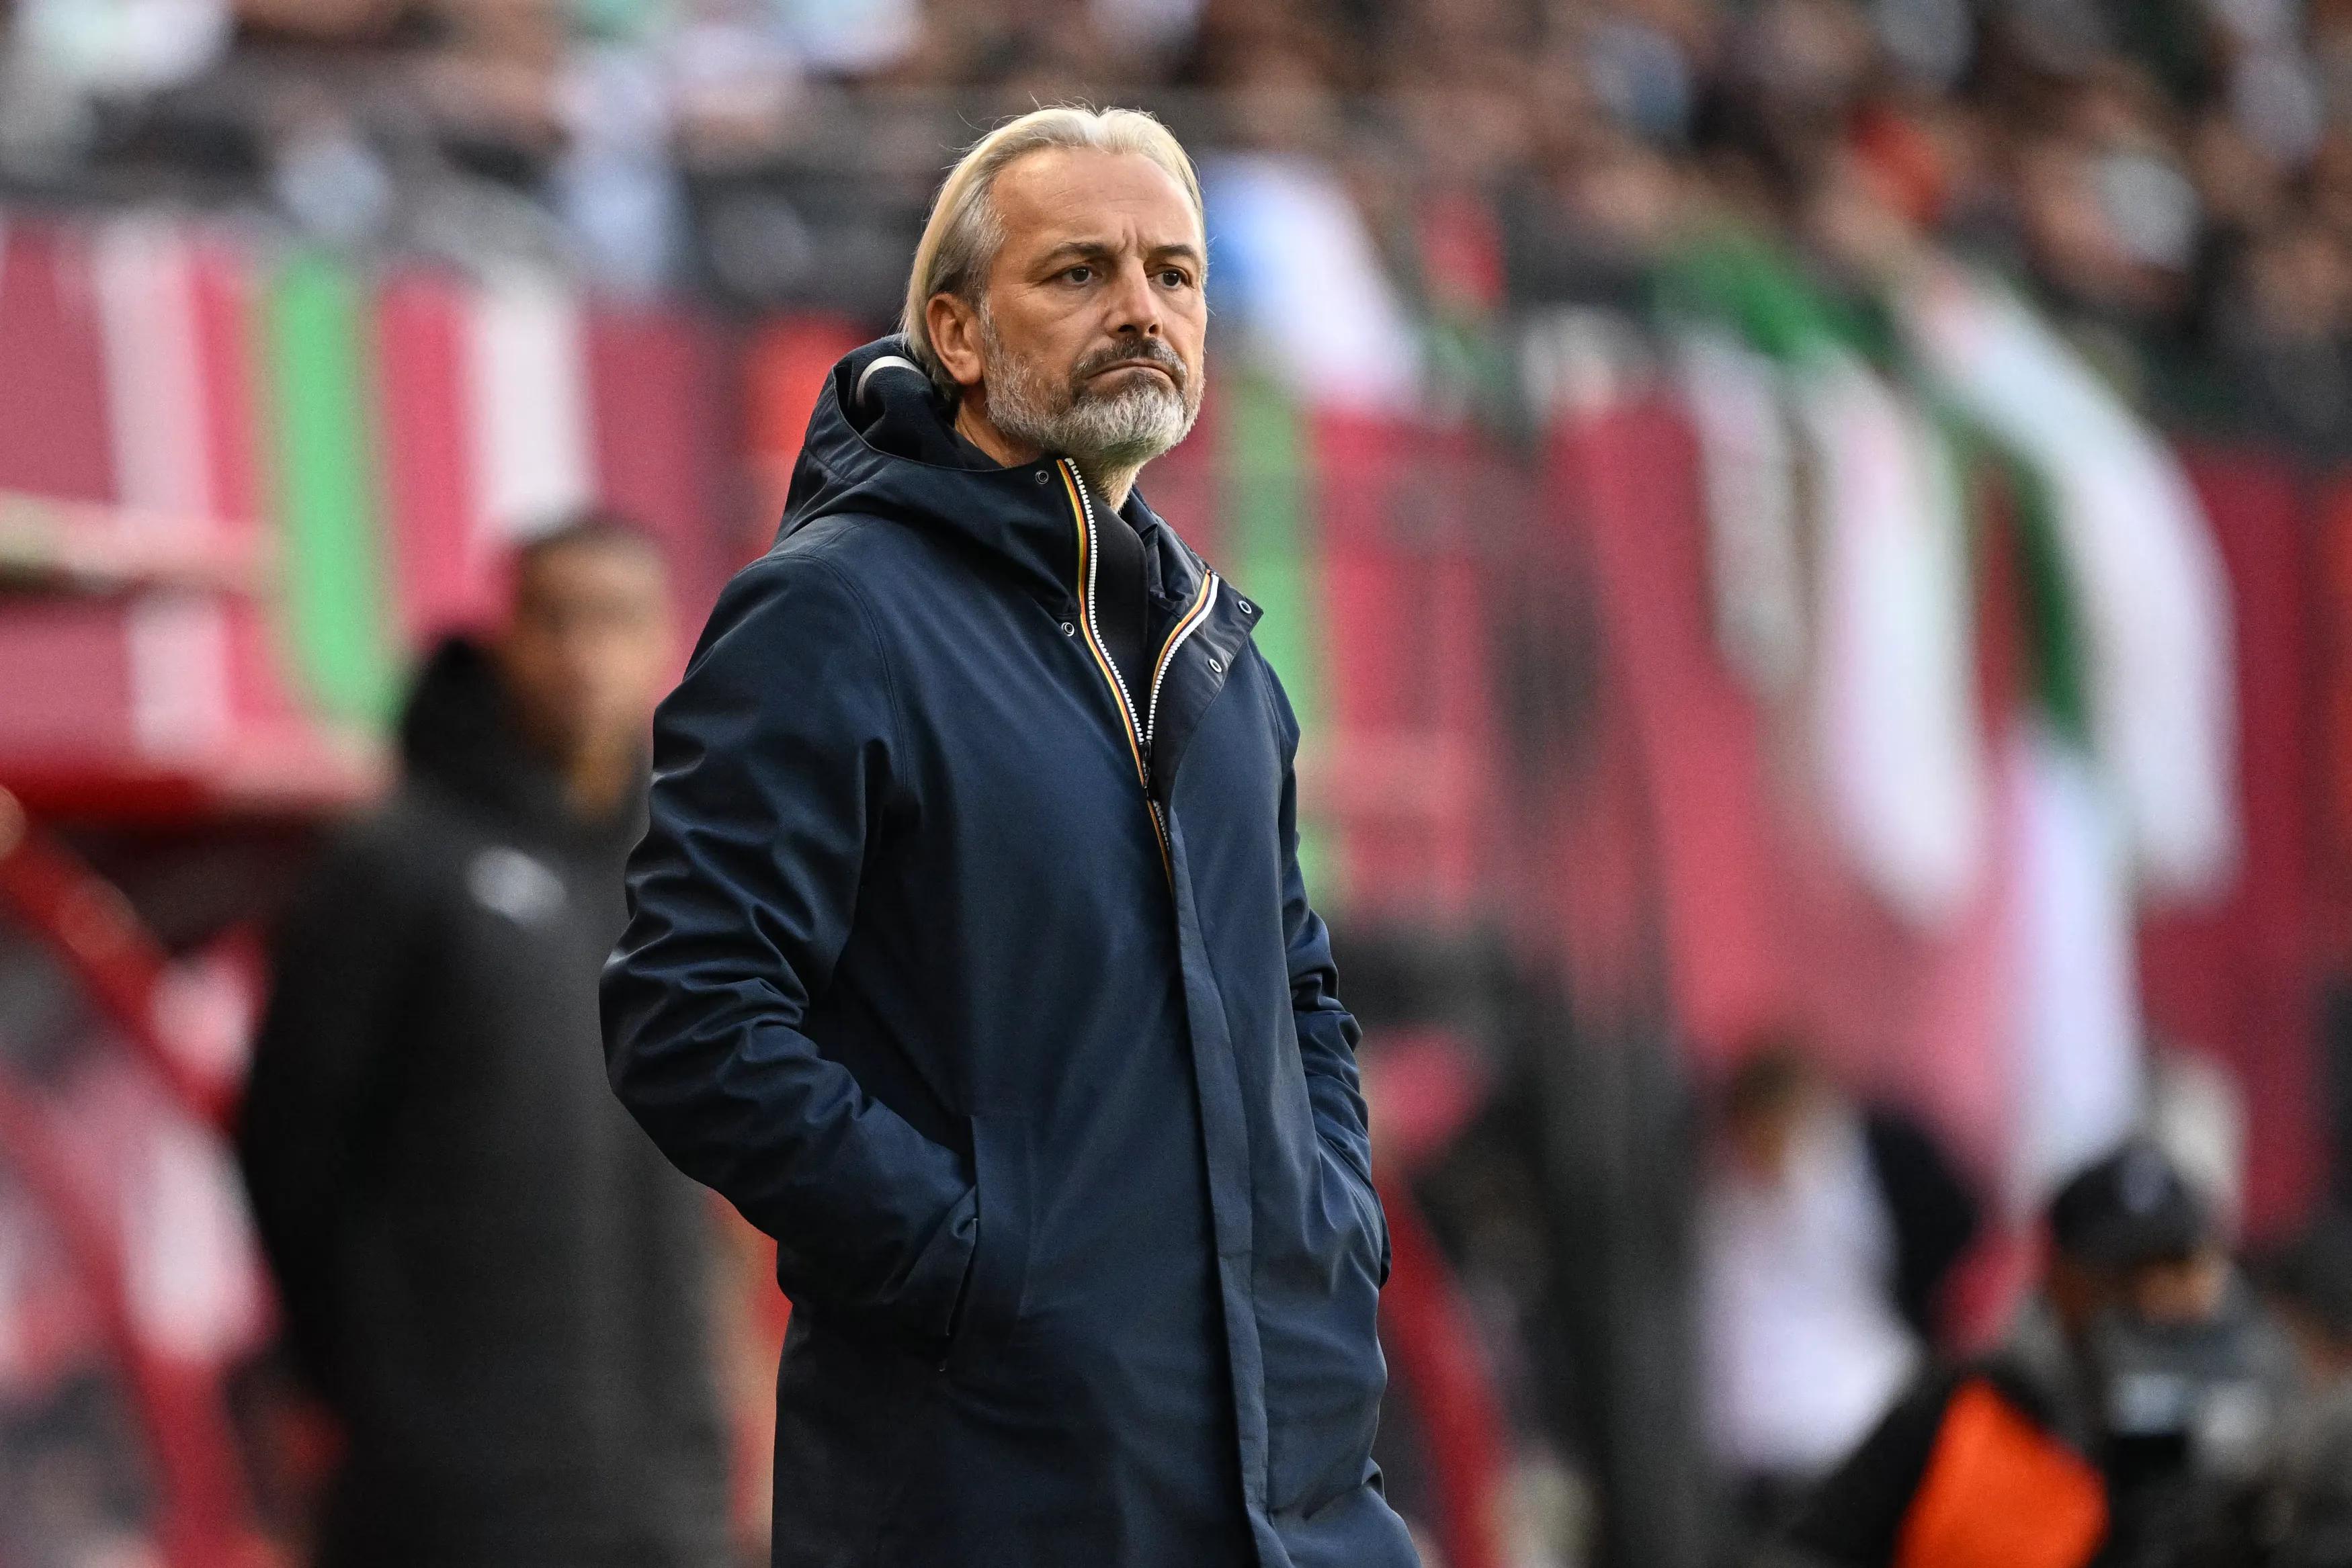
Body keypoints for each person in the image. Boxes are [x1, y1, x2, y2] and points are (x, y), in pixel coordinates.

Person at [601, 105, 1417, 1568]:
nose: (1140, 312)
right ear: (957, 335)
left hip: (1296, 1495)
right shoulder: (832, 613)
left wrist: (1326, 1224)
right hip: (994, 1493)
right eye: (1079, 273)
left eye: (1174, 276)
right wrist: (981, 1266)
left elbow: (1299, 992)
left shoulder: (1215, 656)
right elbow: (687, 1012)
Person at [239, 514, 728, 1568]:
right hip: (453, 1502)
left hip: (665, 1498)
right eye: (555, 620)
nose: (584, 655)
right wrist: (380, 1393)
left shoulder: (688, 874)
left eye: (615, 621)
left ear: (665, 641)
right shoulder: (393, 861)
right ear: (502, 632)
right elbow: (289, 1150)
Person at [1783, 1137, 2296, 1568]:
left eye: (2179, 1266)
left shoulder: (2269, 1429)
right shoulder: (1968, 1412)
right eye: (2127, 1274)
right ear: (2064, 1280)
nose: (2155, 1300)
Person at [1698, 1045, 1980, 1524]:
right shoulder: (1726, 1199)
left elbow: (1952, 1237)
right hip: (1754, 1457)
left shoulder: (1862, 1160)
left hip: (1856, 1426)